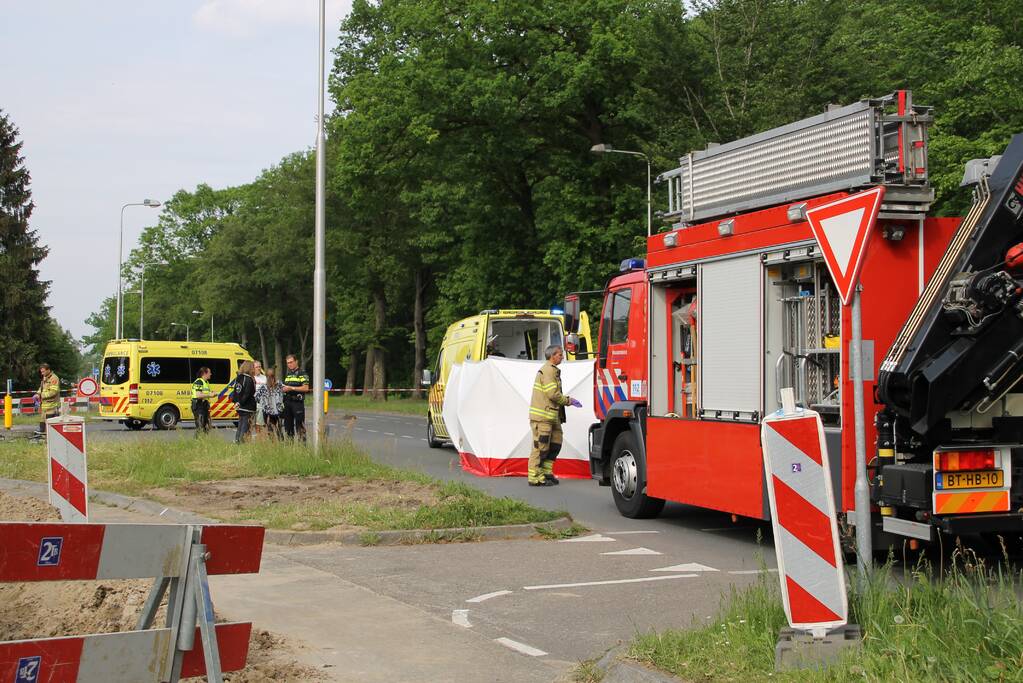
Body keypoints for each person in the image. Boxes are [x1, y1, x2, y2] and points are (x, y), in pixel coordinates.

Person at [527, 345, 582, 486]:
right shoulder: (548, 370)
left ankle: (546, 472)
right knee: (541, 447)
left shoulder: (553, 370)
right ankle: (534, 477)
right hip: (543, 417)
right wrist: (568, 401)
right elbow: (552, 394)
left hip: (552, 416)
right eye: (560, 354)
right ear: (552, 356)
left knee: (556, 443)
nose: (562, 357)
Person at [281, 354, 310, 441]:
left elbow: (306, 388)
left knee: (300, 426)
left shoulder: (302, 373)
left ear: (296, 361)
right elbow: (285, 387)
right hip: (287, 402)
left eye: (291, 362)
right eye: (288, 363)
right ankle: (290, 448)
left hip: (297, 403)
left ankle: (302, 448)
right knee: (288, 426)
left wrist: (291, 388)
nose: (289, 364)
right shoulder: (288, 374)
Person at [232, 360, 257, 444]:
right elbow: (247, 393)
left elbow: (235, 391)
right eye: (253, 367)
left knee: (240, 425)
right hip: (248, 407)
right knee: (245, 427)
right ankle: (242, 443)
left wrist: (236, 402)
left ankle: (237, 441)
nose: (254, 368)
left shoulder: (239, 377)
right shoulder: (249, 379)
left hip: (239, 406)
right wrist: (240, 402)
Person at [256, 367, 284, 440]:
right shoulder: (280, 385)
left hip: (267, 412)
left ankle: (273, 446)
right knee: (279, 431)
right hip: (278, 411)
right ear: (274, 376)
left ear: (266, 376)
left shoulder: (263, 387)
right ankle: (281, 446)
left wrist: (264, 403)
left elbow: (256, 397)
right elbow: (285, 394)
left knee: (270, 431)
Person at [34, 363, 60, 435]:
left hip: (52, 404)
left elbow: (53, 392)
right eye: (41, 372)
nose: (42, 374)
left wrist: (41, 395)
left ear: (48, 370)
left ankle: (50, 435)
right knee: (43, 418)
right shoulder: (45, 378)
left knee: (50, 422)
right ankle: (42, 431)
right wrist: (37, 394)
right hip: (45, 405)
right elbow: (41, 388)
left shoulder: (54, 378)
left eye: (43, 371)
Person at [191, 366, 213, 435]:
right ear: (204, 373)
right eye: (209, 372)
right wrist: (210, 395)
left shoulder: (206, 382)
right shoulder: (199, 382)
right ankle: (197, 443)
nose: (211, 374)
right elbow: (198, 395)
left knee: (206, 427)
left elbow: (205, 393)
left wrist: (211, 394)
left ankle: (204, 443)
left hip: (204, 405)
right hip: (198, 406)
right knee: (200, 427)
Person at [253, 361, 267, 436]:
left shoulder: (264, 378)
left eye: (260, 366)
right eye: (257, 367)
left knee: (260, 423)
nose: (259, 368)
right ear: (253, 368)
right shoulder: (251, 378)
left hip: (261, 404)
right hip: (252, 403)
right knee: (251, 423)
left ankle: (259, 437)